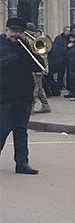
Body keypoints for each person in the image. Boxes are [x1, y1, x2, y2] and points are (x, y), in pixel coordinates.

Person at [1, 18, 43, 174]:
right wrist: (18, 55)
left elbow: (39, 67)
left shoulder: (26, 48)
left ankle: (22, 163)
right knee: (2, 130)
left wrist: (32, 51)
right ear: (7, 30)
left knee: (21, 131)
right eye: (14, 31)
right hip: (4, 97)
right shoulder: (2, 45)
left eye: (20, 32)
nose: (16, 35)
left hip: (24, 96)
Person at [50, 26, 70, 95]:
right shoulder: (59, 38)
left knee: (67, 73)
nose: (69, 33)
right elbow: (58, 50)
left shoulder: (70, 38)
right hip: (61, 58)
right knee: (60, 73)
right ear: (64, 31)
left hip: (68, 58)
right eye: (68, 31)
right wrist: (67, 47)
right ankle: (59, 85)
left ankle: (66, 85)